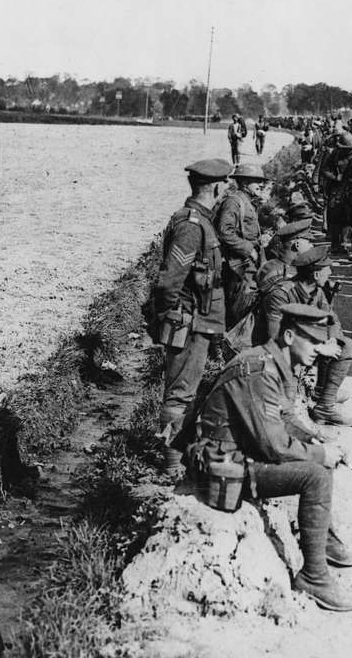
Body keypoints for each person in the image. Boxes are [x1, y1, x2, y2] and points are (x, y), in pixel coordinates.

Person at [186, 303, 352, 611]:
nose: (320, 350)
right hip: (224, 467)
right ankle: (314, 577)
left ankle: (324, 541)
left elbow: (279, 415)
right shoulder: (259, 370)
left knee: (319, 459)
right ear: (291, 336)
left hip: (239, 456)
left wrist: (313, 438)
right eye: (315, 342)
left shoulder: (273, 361)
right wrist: (319, 453)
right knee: (316, 474)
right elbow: (274, 446)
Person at [151, 159, 230, 477]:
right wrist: (173, 316)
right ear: (216, 187)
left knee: (187, 390)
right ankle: (171, 463)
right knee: (180, 393)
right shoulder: (191, 225)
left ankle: (178, 452)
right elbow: (169, 281)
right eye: (223, 186)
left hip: (199, 320)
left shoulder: (200, 222)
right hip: (189, 321)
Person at [255, 246, 352, 427]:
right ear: (316, 275)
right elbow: (274, 338)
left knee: (345, 344)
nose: (331, 272)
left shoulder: (315, 292)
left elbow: (333, 320)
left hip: (299, 348)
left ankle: (324, 403)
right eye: (327, 269)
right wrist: (318, 347)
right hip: (276, 357)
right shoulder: (281, 294)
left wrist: (331, 339)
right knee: (286, 412)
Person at [216, 164, 267, 348]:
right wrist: (248, 249)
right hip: (238, 263)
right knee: (240, 304)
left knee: (247, 301)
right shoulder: (234, 201)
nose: (260, 186)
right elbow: (224, 231)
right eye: (256, 182)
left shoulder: (246, 201)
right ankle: (231, 345)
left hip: (248, 262)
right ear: (245, 183)